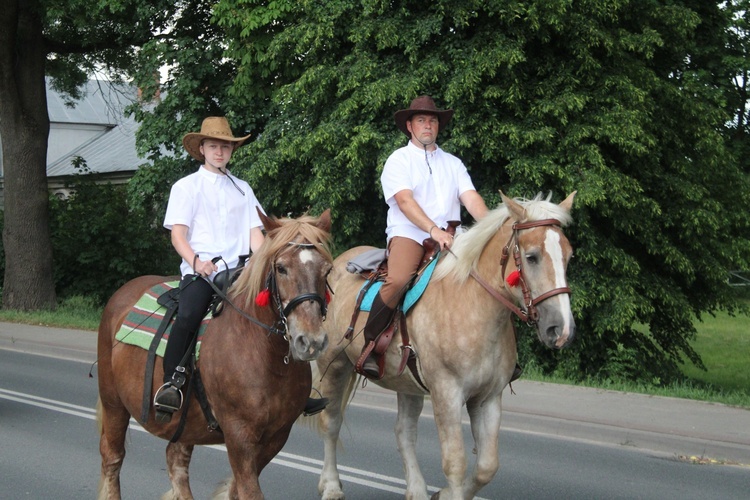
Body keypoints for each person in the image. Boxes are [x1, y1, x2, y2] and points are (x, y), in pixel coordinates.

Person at [154, 116, 328, 421]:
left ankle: (299, 387)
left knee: (283, 309)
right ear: (202, 149)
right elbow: (178, 235)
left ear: (231, 150)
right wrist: (196, 262)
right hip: (203, 271)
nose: (219, 152)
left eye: (225, 146)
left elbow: (255, 237)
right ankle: (173, 381)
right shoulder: (186, 187)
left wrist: (269, 262)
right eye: (213, 146)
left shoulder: (243, 189)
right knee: (188, 315)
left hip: (241, 271)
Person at [358, 96, 522, 382]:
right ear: (409, 126)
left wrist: (493, 227)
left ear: (438, 126)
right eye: (421, 120)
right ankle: (370, 346)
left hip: (453, 237)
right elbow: (405, 202)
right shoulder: (398, 160)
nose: (427, 125)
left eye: (432, 120)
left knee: (495, 276)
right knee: (397, 281)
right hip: (410, 234)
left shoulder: (453, 163)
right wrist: (433, 231)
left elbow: (471, 198)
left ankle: (507, 356)